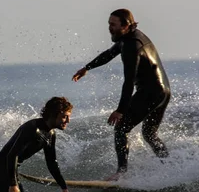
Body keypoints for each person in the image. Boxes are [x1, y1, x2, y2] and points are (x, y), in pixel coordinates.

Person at [72, 9, 171, 180]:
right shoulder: (129, 38)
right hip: (163, 92)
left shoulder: (132, 46)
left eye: (113, 24)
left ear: (125, 25)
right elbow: (109, 54)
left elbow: (128, 81)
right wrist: (87, 68)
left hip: (150, 92)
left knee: (121, 128)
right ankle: (170, 165)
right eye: (109, 24)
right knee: (149, 134)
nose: (109, 28)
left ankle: (121, 172)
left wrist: (120, 110)